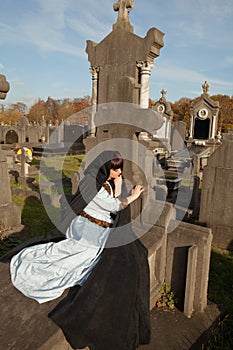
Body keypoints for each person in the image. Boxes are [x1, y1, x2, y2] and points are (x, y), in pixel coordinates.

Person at [10, 150, 151, 350]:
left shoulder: (102, 180)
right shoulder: (91, 183)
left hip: (99, 223)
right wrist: (133, 196)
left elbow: (112, 203)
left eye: (119, 169)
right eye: (115, 169)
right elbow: (116, 206)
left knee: (131, 251)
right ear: (106, 167)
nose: (118, 172)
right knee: (95, 253)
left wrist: (118, 184)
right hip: (86, 226)